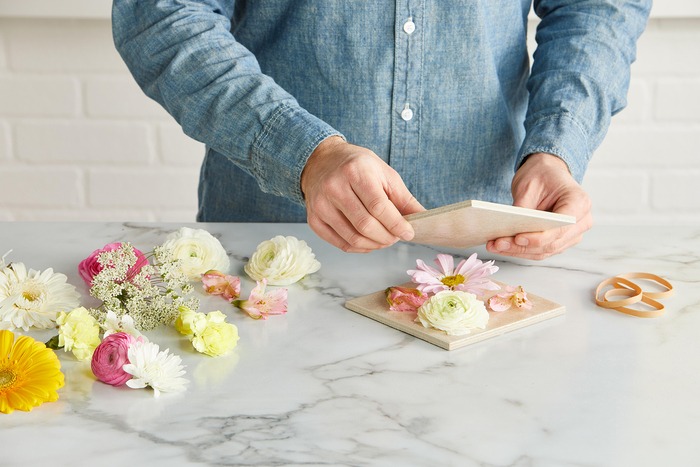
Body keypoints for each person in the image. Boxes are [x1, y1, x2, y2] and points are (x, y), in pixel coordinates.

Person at [112, 0, 651, 260]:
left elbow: (597, 8)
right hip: (273, 249)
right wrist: (305, 153)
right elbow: (163, 16)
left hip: (492, 248)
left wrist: (556, 147)